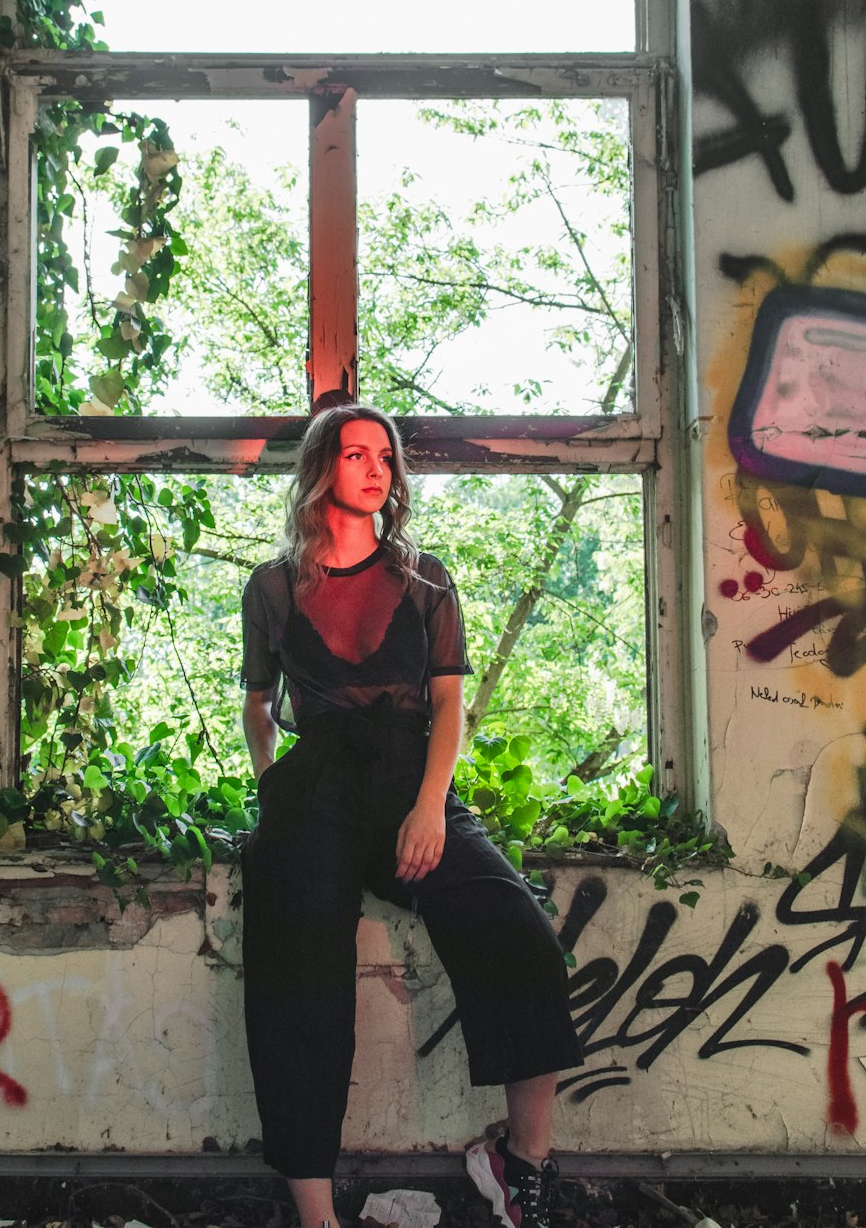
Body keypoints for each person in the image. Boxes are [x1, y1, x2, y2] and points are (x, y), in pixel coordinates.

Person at [240, 404, 583, 1228]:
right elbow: (258, 706)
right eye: (356, 454)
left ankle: (521, 1160)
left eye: (385, 458)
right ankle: (316, 1212)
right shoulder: (274, 585)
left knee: (517, 930)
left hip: (407, 780)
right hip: (313, 786)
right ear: (322, 468)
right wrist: (273, 783)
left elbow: (449, 705)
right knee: (297, 983)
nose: (374, 469)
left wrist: (431, 805)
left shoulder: (424, 576)